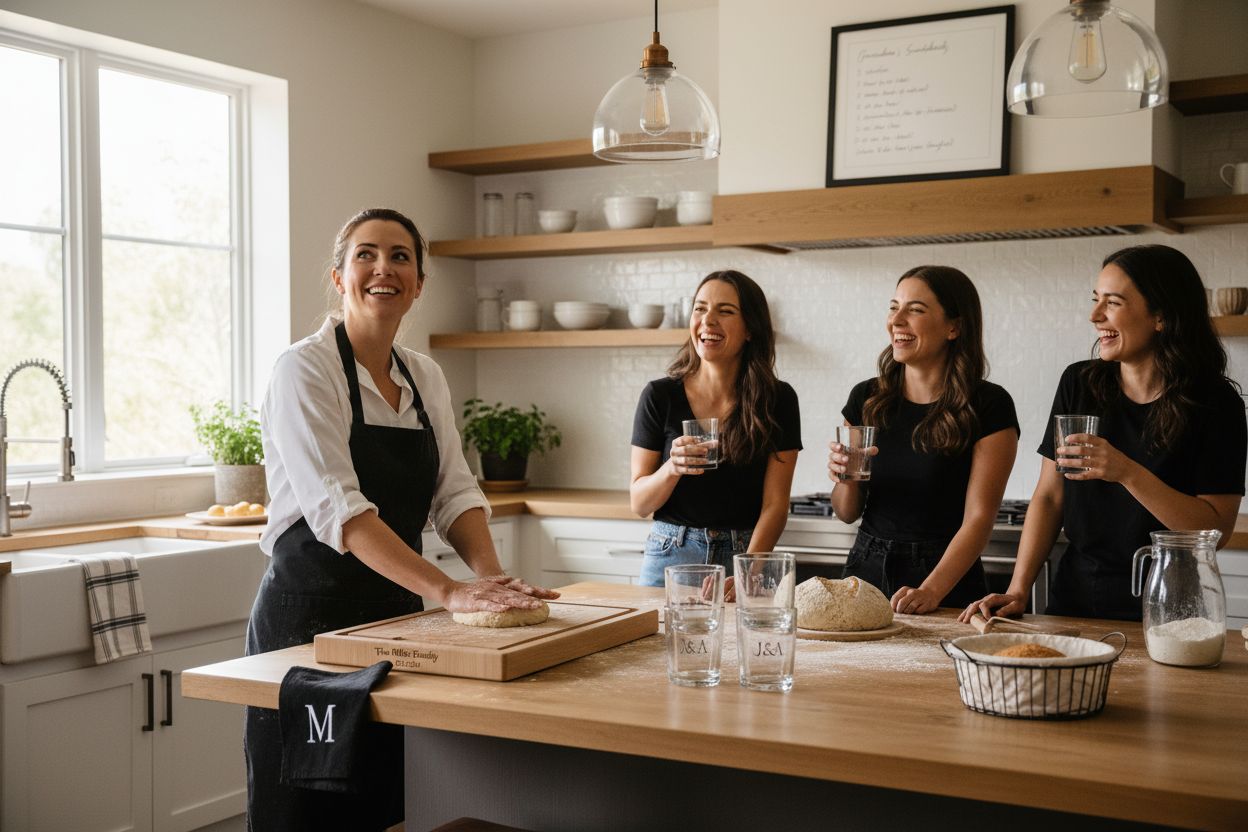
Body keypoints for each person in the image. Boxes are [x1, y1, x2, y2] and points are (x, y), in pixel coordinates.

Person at [244, 208, 557, 831]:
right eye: (365, 254)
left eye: (400, 256)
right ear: (339, 277)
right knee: (309, 810)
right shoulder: (304, 370)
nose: (382, 268)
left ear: (418, 282)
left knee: (381, 803)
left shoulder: (426, 376)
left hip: (394, 624)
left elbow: (454, 491)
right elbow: (342, 508)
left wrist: (492, 583)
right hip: (310, 628)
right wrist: (447, 590)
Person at [962, 245, 1246, 623]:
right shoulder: (1079, 383)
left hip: (1169, 602)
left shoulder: (1215, 402)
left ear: (1160, 316)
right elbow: (1049, 497)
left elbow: (1216, 530)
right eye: (1096, 300)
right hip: (1075, 595)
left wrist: (1128, 472)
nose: (1095, 315)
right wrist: (1018, 589)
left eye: (1112, 302)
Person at [828, 266, 1018, 615]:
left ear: (954, 327)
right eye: (893, 306)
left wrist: (931, 590)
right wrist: (845, 476)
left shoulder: (989, 405)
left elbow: (979, 519)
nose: (897, 320)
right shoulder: (866, 398)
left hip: (947, 577)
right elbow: (846, 512)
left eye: (915, 309)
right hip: (865, 568)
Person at [630, 270, 801, 590]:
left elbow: (775, 504)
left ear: (750, 328)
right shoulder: (659, 396)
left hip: (746, 555)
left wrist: (749, 569)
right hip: (671, 554)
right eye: (700, 308)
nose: (708, 320)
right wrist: (673, 468)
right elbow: (639, 503)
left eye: (725, 311)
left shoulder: (778, 399)